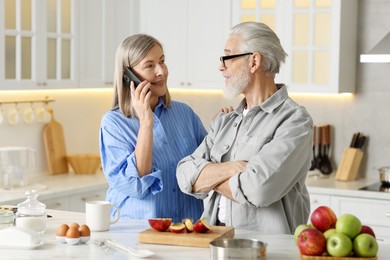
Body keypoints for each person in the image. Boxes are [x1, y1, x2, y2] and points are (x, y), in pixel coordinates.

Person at [176, 22, 313, 234]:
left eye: (227, 57)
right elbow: (184, 175)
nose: (221, 67)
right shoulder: (224, 121)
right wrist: (234, 168)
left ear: (254, 61)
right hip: (214, 242)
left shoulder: (294, 121)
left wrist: (207, 177)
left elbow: (258, 189)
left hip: (267, 250)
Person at [99, 34, 207, 223]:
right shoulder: (113, 123)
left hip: (187, 228)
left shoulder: (185, 113)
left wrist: (224, 130)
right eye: (150, 65)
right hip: (136, 233)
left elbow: (208, 167)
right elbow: (136, 186)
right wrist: (146, 124)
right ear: (128, 76)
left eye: (162, 61)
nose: (161, 72)